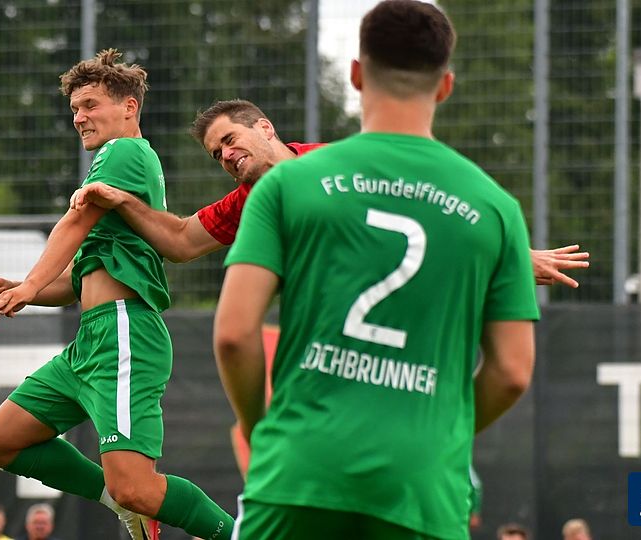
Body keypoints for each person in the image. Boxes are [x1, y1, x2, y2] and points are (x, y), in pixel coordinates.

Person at [212, 1, 538, 539]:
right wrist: (442, 429)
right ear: (445, 86)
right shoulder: (495, 208)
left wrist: (257, 428)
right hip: (421, 485)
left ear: (357, 75)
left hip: (298, 470)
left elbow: (232, 335)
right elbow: (512, 372)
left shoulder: (286, 185)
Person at [0, 48, 234, 540]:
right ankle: (121, 504)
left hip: (124, 333)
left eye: (90, 104)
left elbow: (75, 220)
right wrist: (27, 289)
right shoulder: (115, 164)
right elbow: (78, 281)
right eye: (75, 108)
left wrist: (30, 283)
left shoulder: (124, 152)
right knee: (1, 440)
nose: (79, 117)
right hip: (92, 340)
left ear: (129, 107)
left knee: (138, 487)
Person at [70, 99, 588, 288]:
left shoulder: (341, 161)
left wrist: (512, 255)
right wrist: (123, 201)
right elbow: (182, 242)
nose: (225, 155)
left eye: (229, 140)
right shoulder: (250, 201)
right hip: (334, 347)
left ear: (265, 128)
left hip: (410, 319)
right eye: (216, 154)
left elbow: (435, 210)